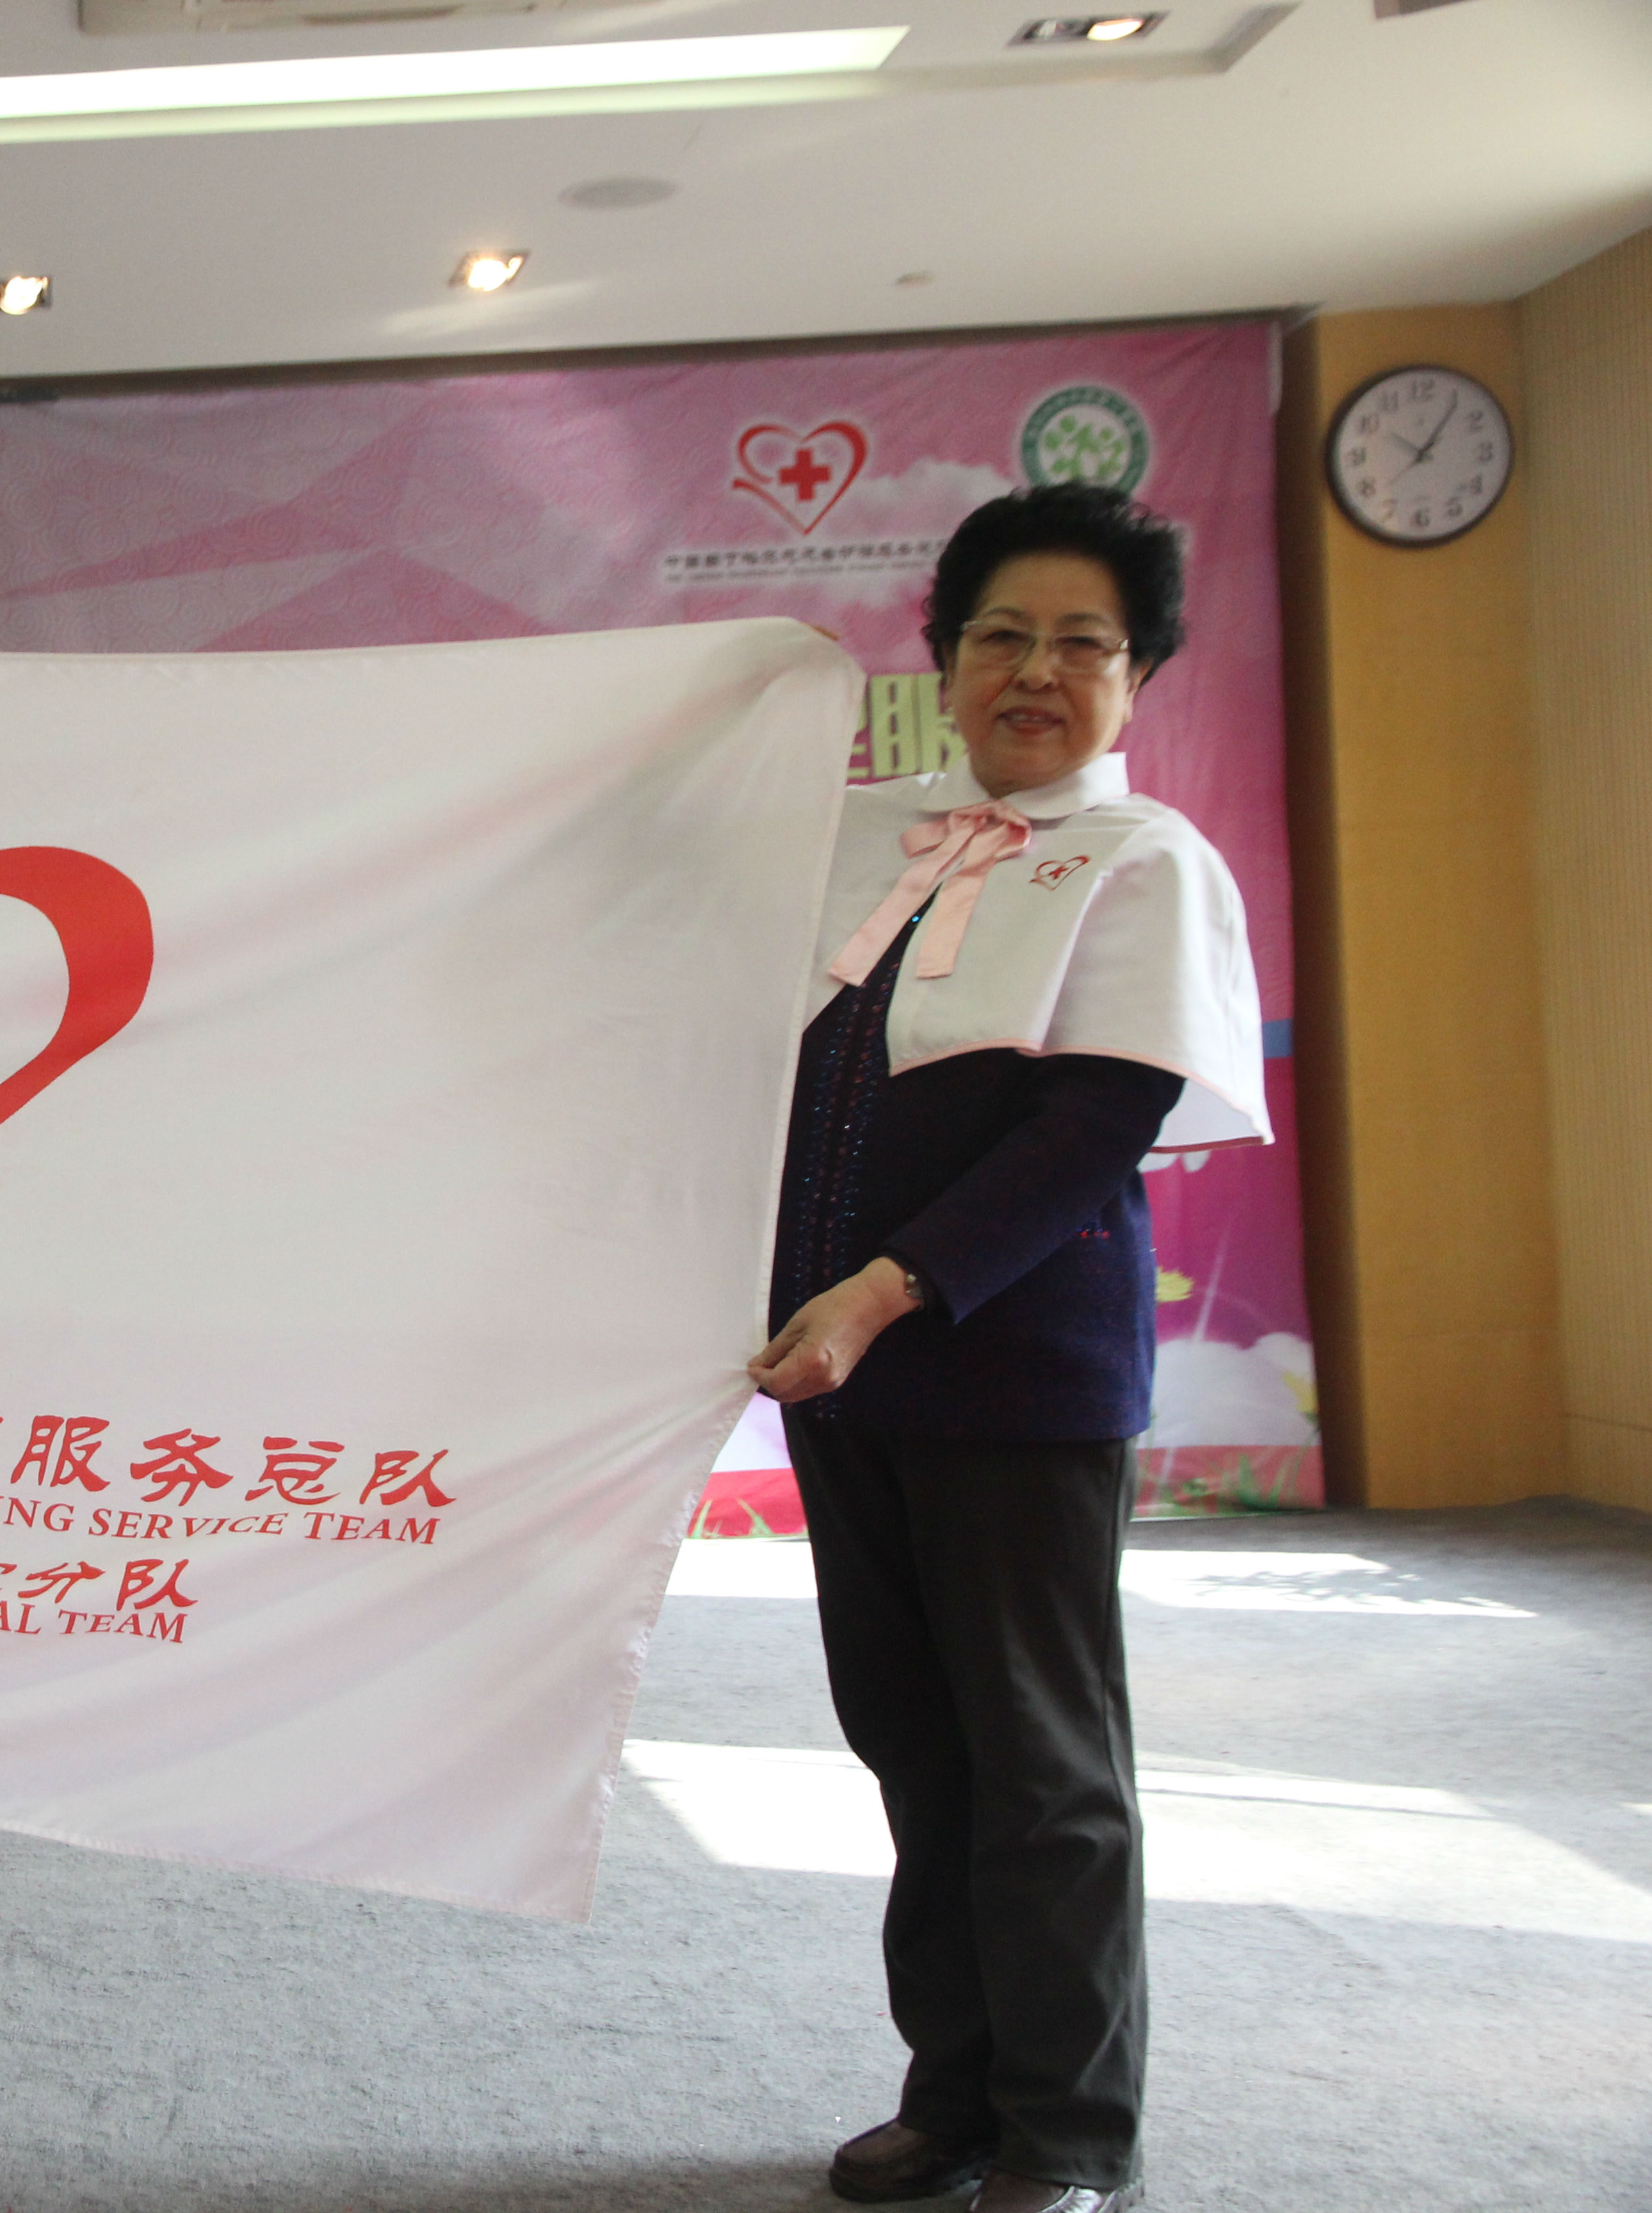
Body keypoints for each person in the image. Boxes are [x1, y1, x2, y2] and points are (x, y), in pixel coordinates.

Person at [747, 484, 1268, 2213]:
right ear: (946, 659)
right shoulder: (861, 836)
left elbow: (1089, 1131)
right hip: (841, 1374)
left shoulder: (1146, 862)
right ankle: (954, 2094)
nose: (1036, 672)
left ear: (1139, 676)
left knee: (1042, 1764)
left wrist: (880, 1291)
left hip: (1012, 1371)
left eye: (1081, 644)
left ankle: (1068, 2133)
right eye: (1001, 636)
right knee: (912, 1740)